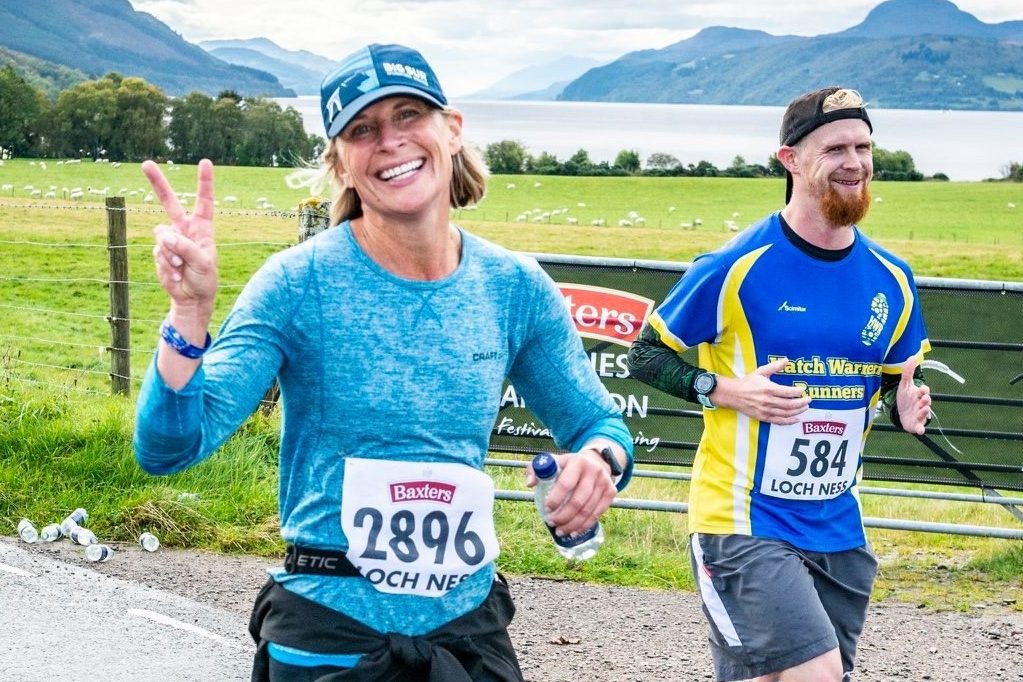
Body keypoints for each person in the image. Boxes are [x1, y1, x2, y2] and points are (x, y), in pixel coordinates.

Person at [134, 42, 634, 681]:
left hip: (467, 633)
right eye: (363, 130)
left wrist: (597, 464)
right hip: (329, 639)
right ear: (340, 163)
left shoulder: (514, 287)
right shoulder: (295, 284)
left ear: (450, 130)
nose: (390, 141)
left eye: (408, 116)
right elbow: (169, 447)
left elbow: (602, 428)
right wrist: (188, 318)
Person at [626, 86, 932, 682]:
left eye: (864, 147)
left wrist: (906, 407)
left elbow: (892, 386)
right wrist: (723, 389)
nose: (855, 163)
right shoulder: (736, 265)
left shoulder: (893, 278)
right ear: (790, 160)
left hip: (838, 529)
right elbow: (645, 354)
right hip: (743, 521)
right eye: (836, 147)